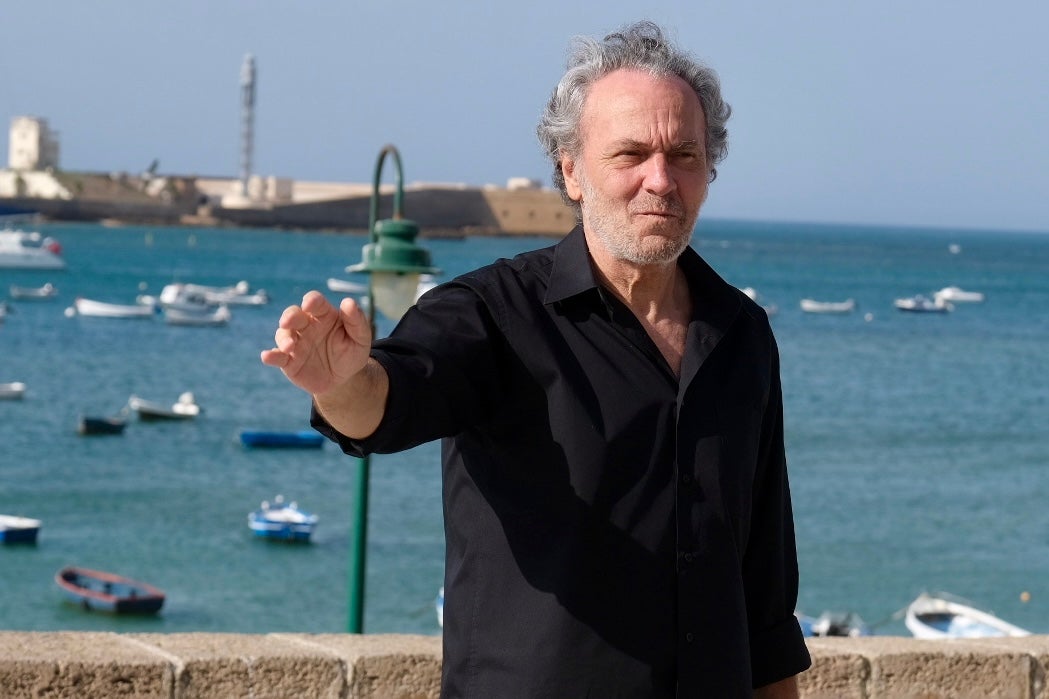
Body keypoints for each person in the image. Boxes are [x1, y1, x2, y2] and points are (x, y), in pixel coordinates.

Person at [261, 20, 810, 698]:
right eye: (630, 153)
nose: (660, 180)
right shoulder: (490, 313)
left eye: (684, 154)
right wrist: (340, 384)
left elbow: (764, 593)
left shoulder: (741, 334)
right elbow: (389, 401)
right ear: (571, 170)